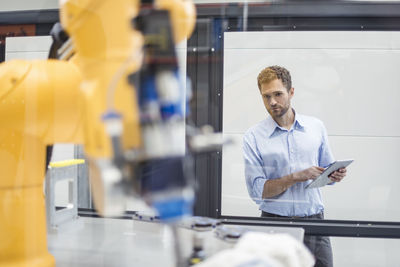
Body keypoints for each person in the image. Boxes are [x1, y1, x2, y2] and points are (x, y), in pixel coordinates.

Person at [243, 65, 347, 267]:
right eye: (266, 96)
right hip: (274, 226)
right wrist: (297, 176)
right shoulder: (253, 137)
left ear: (291, 92)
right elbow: (257, 191)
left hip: (314, 223)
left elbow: (326, 171)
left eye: (278, 94)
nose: (272, 102)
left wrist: (335, 175)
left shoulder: (315, 127)